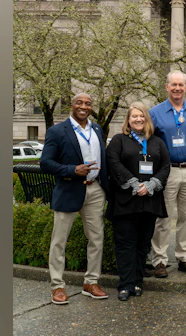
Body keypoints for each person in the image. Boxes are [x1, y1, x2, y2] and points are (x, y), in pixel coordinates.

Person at [40, 93, 110, 305]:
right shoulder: (57, 131)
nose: (84, 106)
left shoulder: (97, 129)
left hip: (95, 190)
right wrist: (72, 169)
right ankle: (58, 286)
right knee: (59, 241)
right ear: (72, 105)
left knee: (96, 239)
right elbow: (45, 163)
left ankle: (91, 282)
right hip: (69, 190)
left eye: (88, 103)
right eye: (79, 103)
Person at [105, 102, 171, 301]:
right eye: (134, 116)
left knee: (143, 244)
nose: (138, 119)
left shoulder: (157, 142)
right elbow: (113, 162)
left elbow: (166, 166)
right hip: (126, 202)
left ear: (147, 119)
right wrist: (133, 183)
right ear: (128, 119)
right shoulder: (119, 140)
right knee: (125, 244)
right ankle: (125, 284)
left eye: (142, 116)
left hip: (149, 202)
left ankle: (137, 281)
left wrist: (151, 185)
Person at [148, 70, 186, 277]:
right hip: (166, 172)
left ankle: (184, 256)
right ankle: (159, 260)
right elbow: (148, 145)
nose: (177, 88)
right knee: (163, 218)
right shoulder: (155, 112)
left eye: (181, 85)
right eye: (173, 85)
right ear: (166, 87)